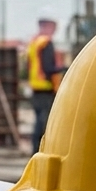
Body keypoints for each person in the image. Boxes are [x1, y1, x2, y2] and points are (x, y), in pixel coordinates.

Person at [26, 10, 63, 152]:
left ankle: (35, 151)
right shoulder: (46, 43)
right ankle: (39, 151)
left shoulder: (34, 43)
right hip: (46, 88)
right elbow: (48, 68)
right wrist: (63, 68)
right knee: (44, 123)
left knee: (38, 123)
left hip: (36, 88)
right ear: (48, 26)